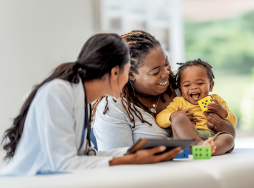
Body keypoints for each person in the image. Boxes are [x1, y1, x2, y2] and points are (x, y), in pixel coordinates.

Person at [1, 33, 183, 176]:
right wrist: (131, 160)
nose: (128, 80)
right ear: (114, 72)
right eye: (128, 72)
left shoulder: (83, 99)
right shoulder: (58, 92)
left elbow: (86, 156)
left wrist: (134, 152)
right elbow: (62, 163)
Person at [93, 30, 236, 151]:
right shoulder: (113, 109)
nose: (166, 73)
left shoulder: (183, 84)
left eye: (166, 63)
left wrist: (221, 123)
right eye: (155, 72)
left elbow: (229, 134)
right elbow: (119, 163)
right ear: (130, 74)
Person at [156, 59, 236, 155]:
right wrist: (173, 115)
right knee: (178, 118)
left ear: (210, 85)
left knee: (228, 138)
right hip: (188, 139)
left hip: (213, 138)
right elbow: (160, 119)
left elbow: (233, 123)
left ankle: (209, 150)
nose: (193, 87)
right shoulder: (179, 102)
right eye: (187, 85)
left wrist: (222, 111)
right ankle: (199, 144)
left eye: (200, 83)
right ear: (181, 90)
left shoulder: (215, 100)